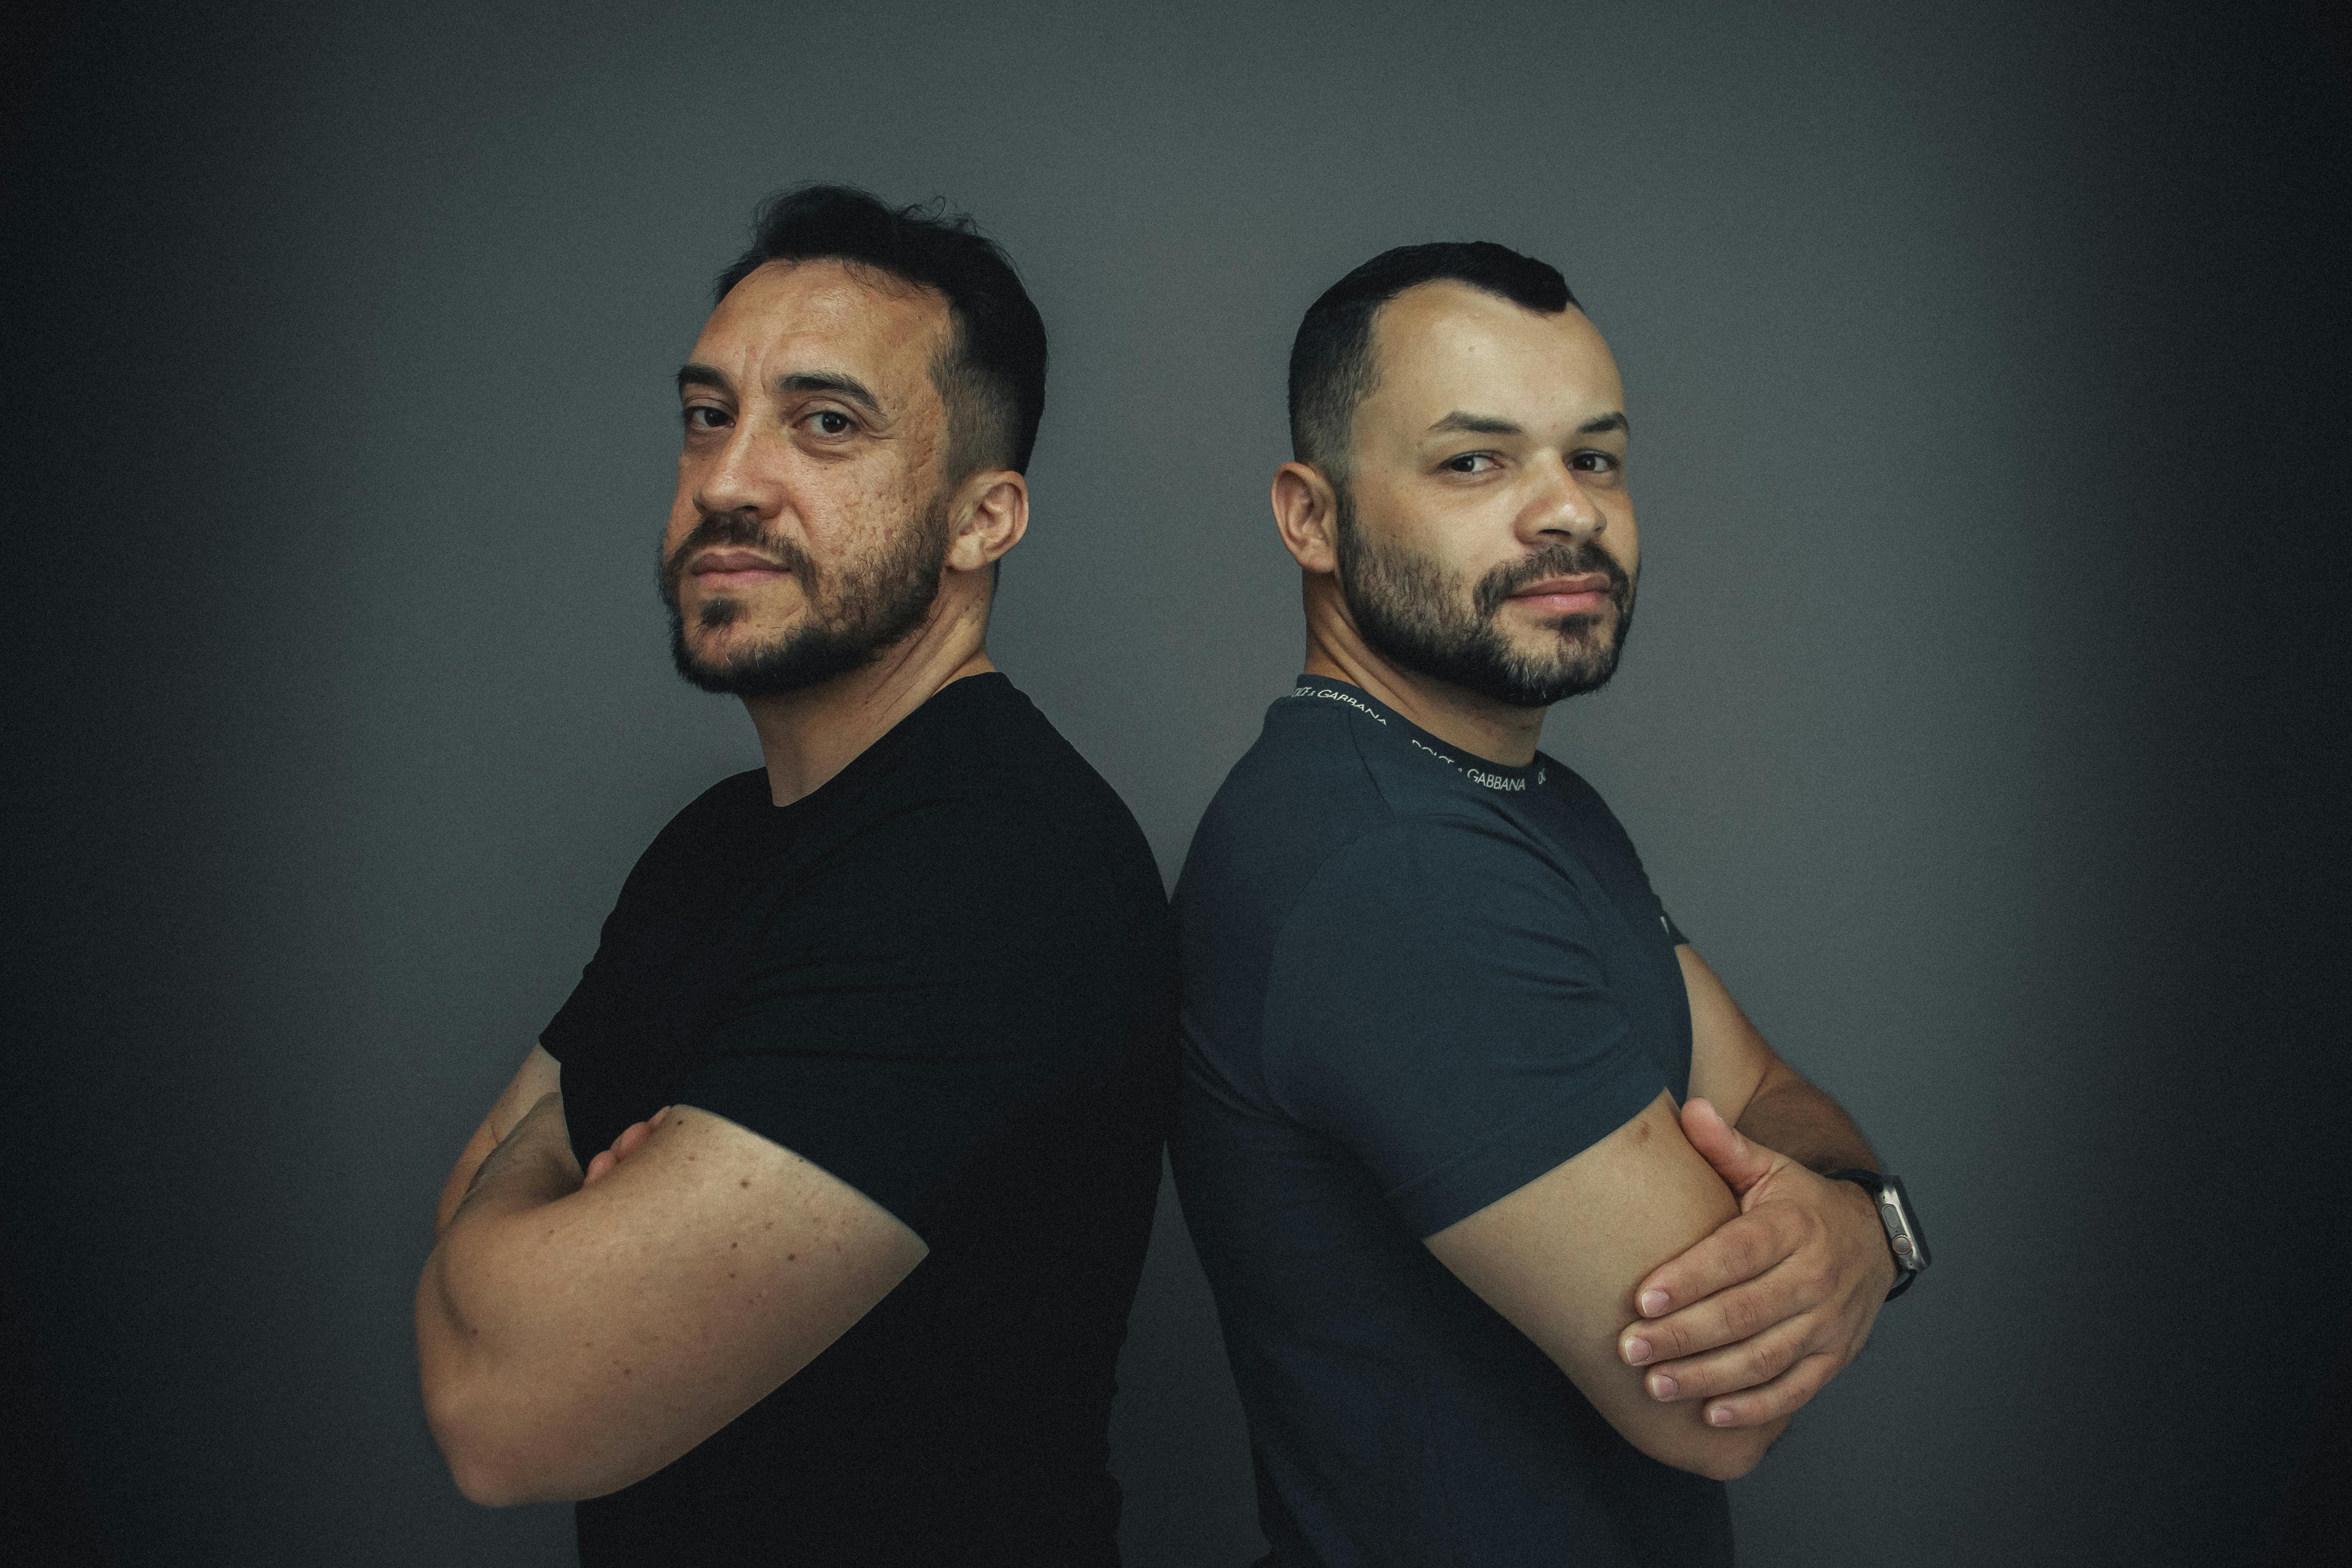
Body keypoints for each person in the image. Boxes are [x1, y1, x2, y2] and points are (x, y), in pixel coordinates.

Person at [414, 185, 1175, 1567]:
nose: (728, 481)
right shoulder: (718, 840)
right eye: (711, 414)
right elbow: (483, 1295)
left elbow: (500, 1403)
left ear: (982, 518)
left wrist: (558, 1157)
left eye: (827, 424)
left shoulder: (995, 871)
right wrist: (555, 1203)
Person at [1172, 243, 1928, 1566]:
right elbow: (1716, 1407)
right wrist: (1851, 1225)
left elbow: (1759, 1092)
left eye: (1595, 458)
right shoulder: (1389, 863)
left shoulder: (1520, 799)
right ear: (1312, 515)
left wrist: (1867, 1220)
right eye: (1476, 461)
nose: (1565, 512)